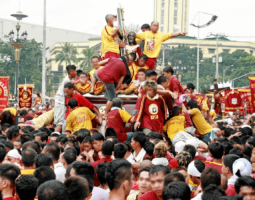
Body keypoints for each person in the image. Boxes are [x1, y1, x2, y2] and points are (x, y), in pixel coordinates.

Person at [54, 65, 77, 133]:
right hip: (60, 103)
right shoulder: (67, 81)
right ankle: (54, 137)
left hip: (60, 102)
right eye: (75, 71)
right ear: (72, 72)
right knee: (60, 122)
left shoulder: (68, 79)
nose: (76, 73)